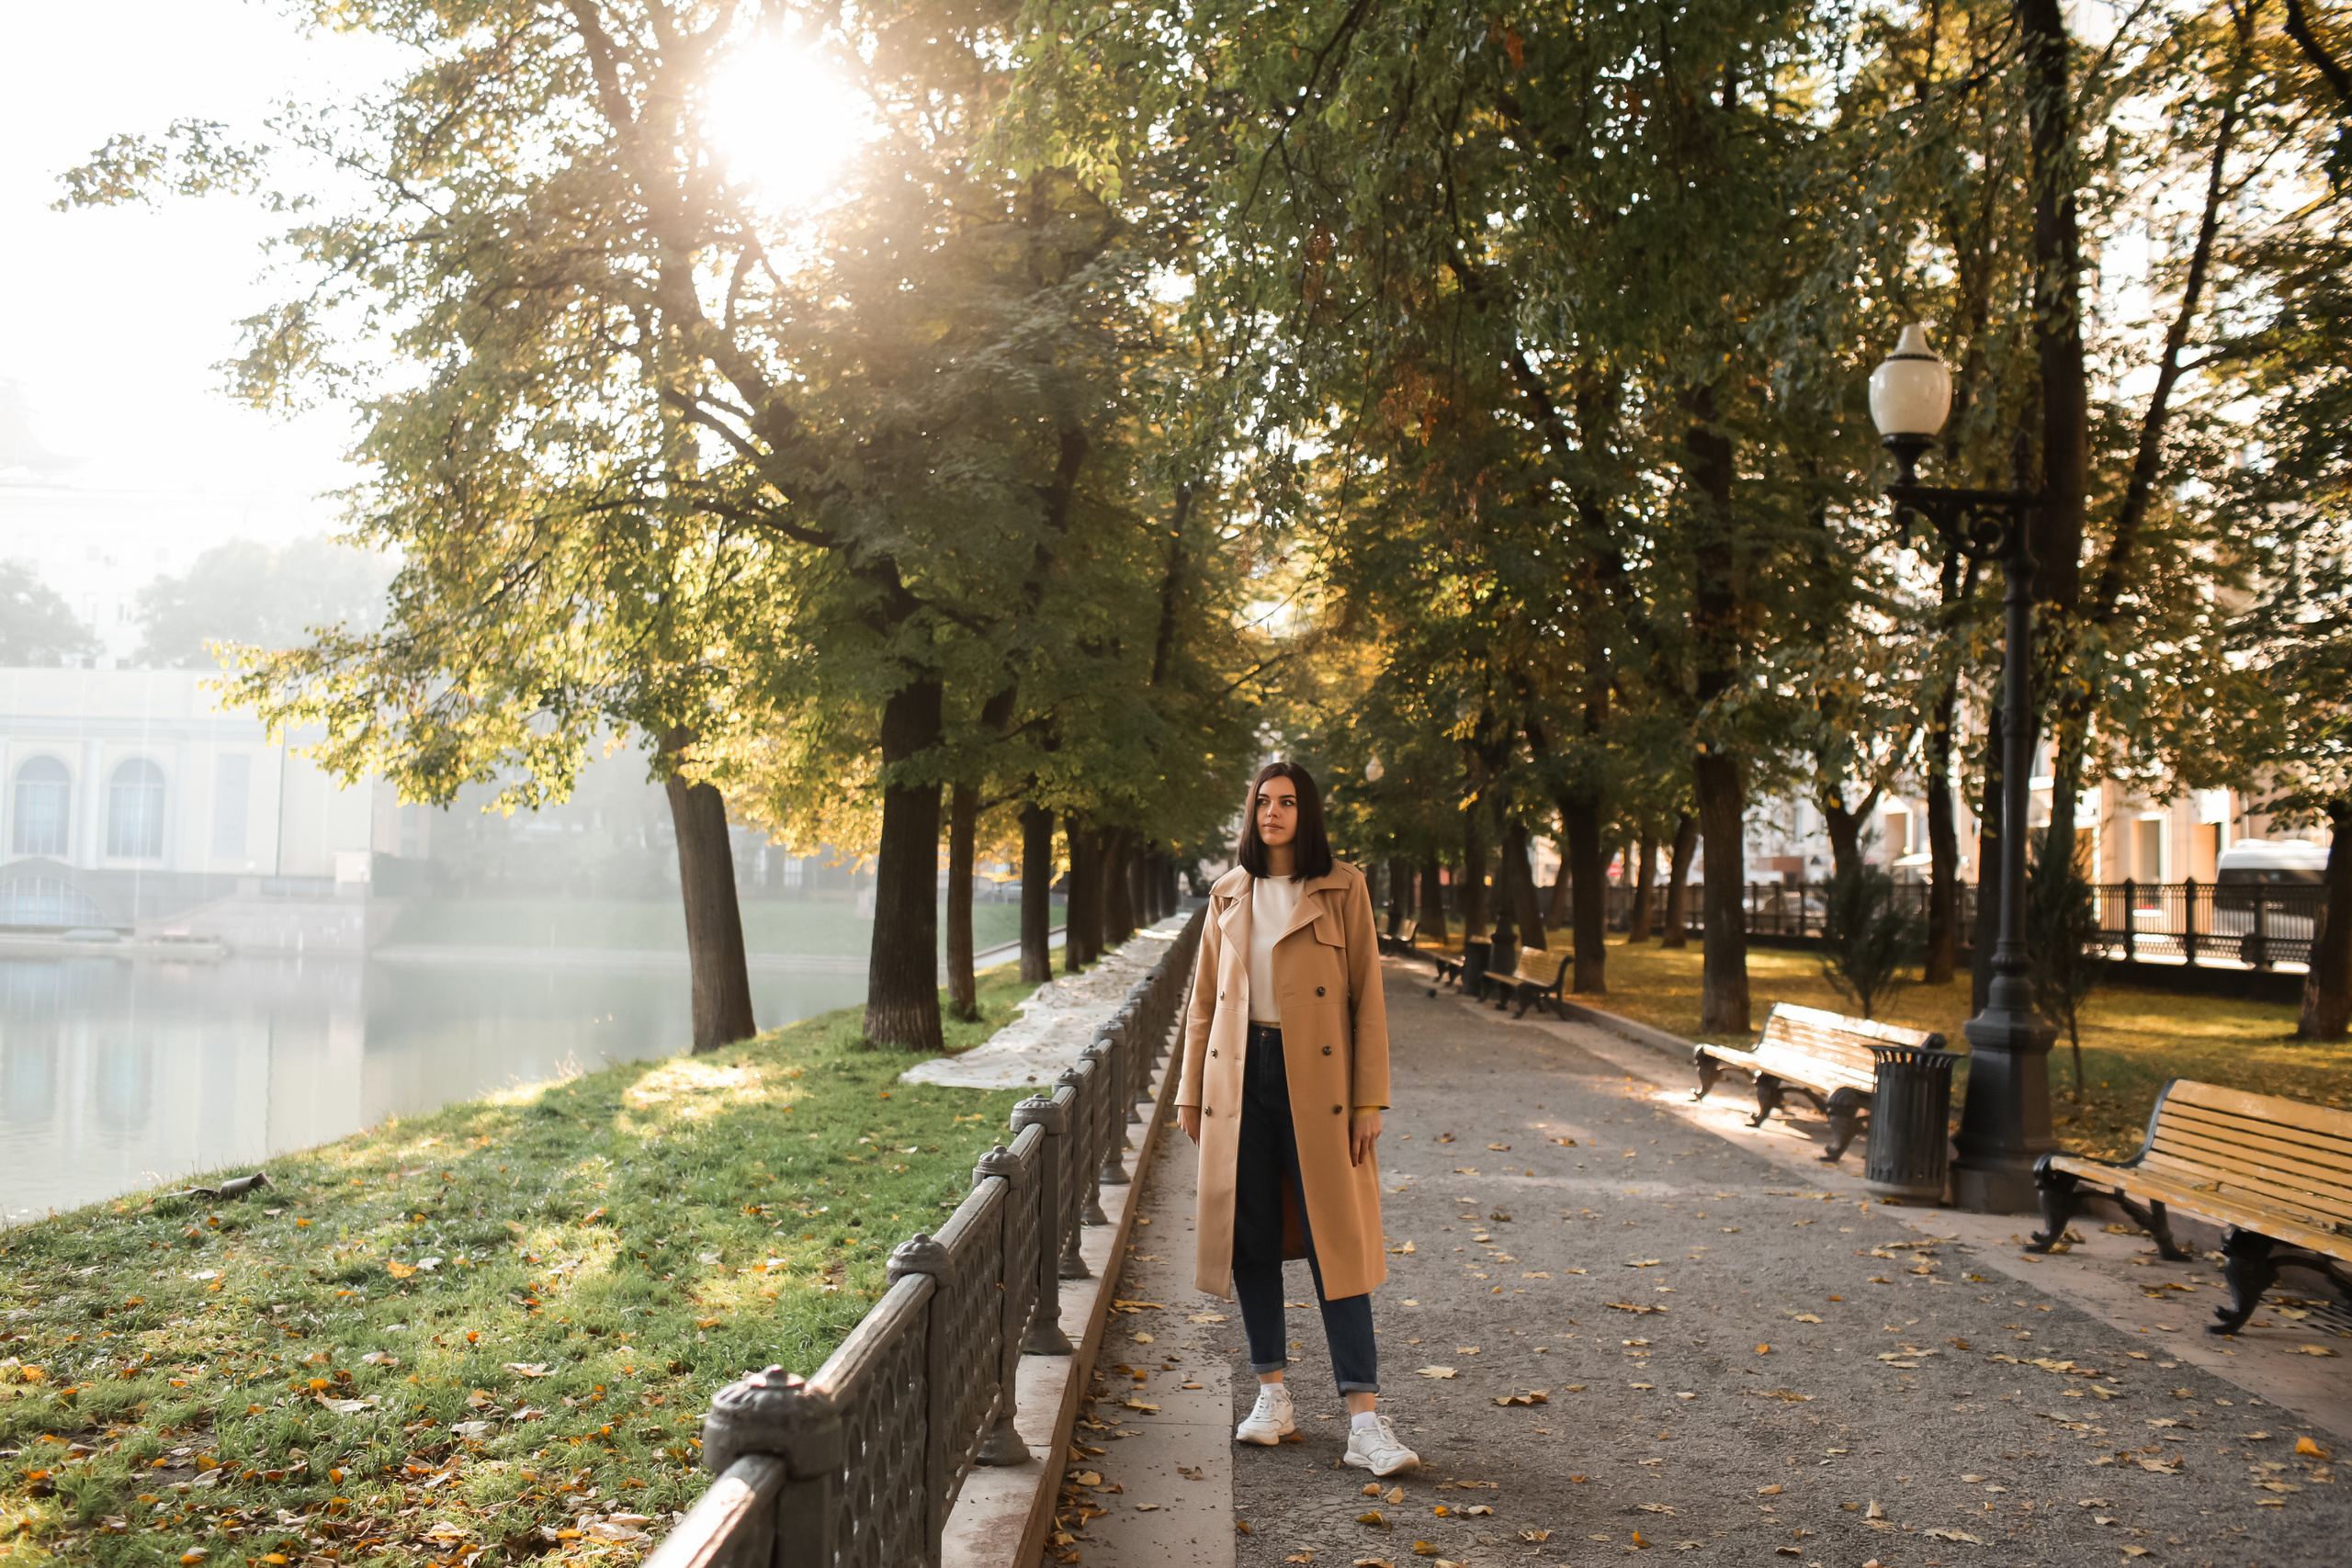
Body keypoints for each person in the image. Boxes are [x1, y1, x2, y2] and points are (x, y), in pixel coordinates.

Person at [1175, 760, 1418, 1476]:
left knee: (1334, 1245)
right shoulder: (1227, 893)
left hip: (1321, 1085)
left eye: (1285, 802)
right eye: (1261, 801)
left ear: (1305, 814)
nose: (1271, 812)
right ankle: (1271, 1395)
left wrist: (1371, 1098)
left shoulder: (1344, 887)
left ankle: (1365, 1420)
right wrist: (1191, 1094)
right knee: (1249, 1236)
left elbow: (1366, 998)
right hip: (1239, 1077)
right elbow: (1201, 1005)